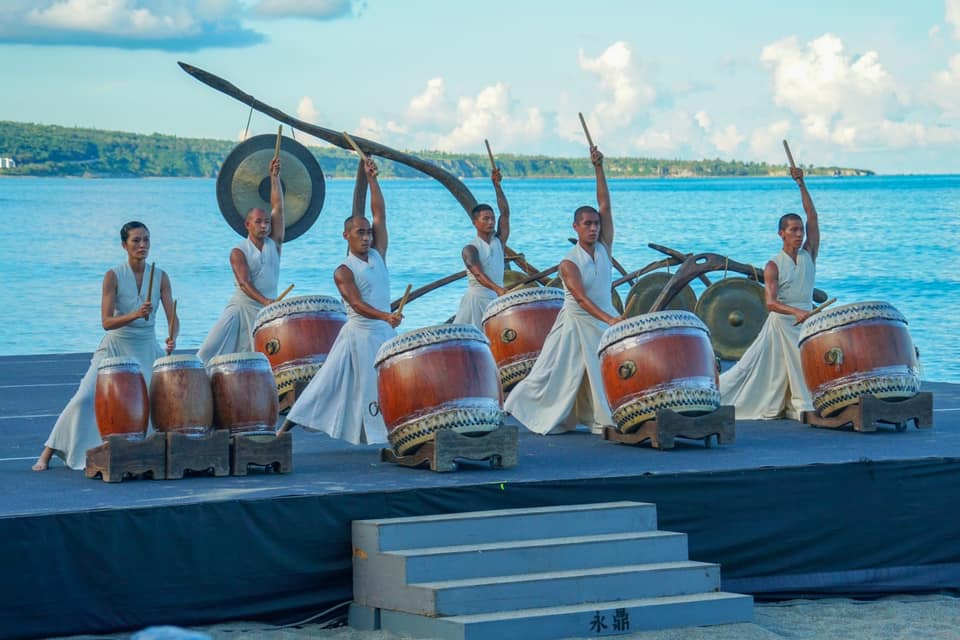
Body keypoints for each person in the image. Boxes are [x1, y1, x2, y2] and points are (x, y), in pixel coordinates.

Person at [33, 222, 179, 471]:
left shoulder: (161, 276)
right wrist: (134, 314)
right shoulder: (113, 275)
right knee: (85, 397)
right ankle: (49, 451)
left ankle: (153, 452)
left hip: (146, 347)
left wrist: (172, 336)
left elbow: (172, 316)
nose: (142, 245)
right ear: (124, 245)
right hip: (115, 347)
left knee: (160, 402)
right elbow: (106, 322)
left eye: (146, 240)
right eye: (136, 241)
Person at [281, 158, 402, 444]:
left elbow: (379, 214)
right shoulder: (343, 271)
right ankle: (282, 430)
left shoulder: (378, 255)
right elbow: (357, 305)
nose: (366, 236)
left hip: (385, 332)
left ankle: (393, 433)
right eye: (360, 232)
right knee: (324, 385)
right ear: (345, 235)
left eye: (368, 232)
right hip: (359, 335)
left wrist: (373, 179)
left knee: (392, 383)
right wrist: (386, 316)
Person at [504, 146, 619, 435]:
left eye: (596, 224)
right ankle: (513, 402)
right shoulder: (569, 262)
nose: (593, 228)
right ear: (576, 227)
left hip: (604, 319)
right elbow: (580, 297)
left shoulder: (604, 247)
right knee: (551, 378)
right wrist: (610, 321)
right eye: (587, 224)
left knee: (603, 370)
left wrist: (598, 168)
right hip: (577, 323)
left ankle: (601, 416)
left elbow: (605, 205)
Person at [720, 166, 820, 420]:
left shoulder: (809, 254)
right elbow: (771, 303)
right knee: (755, 377)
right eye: (793, 230)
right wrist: (796, 311)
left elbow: (813, 217)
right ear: (781, 234)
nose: (799, 234)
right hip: (783, 325)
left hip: (806, 322)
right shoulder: (773, 265)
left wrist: (801, 184)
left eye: (801, 230)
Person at [197, 156, 283, 364]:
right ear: (247, 224)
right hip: (241, 308)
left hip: (266, 312)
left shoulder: (275, 244)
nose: (264, 226)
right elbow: (244, 283)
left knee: (259, 358)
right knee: (209, 349)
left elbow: (278, 207)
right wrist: (267, 303)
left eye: (266, 222)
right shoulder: (239, 251)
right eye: (258, 222)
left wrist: (275, 178)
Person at [452, 167, 510, 328]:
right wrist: (498, 289)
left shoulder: (499, 241)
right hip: (476, 301)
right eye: (485, 219)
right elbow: (478, 274)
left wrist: (497, 186)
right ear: (475, 222)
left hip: (496, 297)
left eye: (492, 218)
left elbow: (505, 213)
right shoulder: (470, 249)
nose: (491, 222)